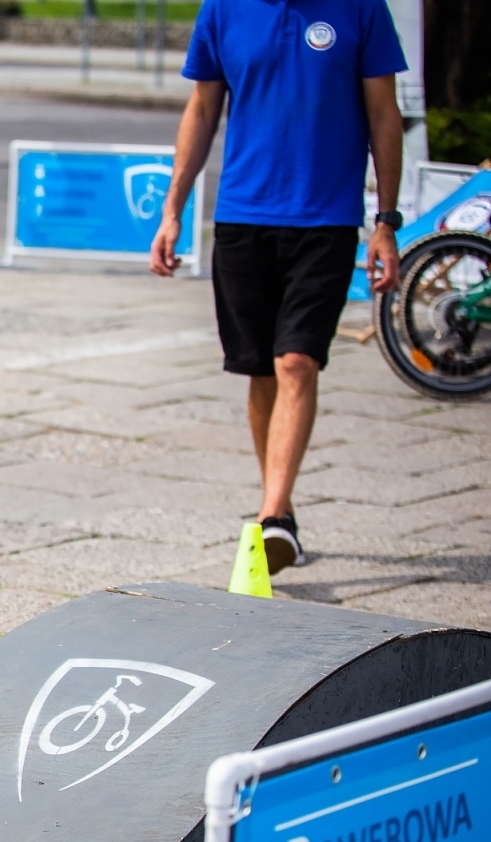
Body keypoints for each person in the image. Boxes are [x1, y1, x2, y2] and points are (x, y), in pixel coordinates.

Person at [150, 0, 406, 573]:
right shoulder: (222, 9)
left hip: (326, 221)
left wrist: (386, 221)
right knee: (260, 369)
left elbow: (384, 114)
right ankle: (279, 508)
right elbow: (201, 108)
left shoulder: (361, 8)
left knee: (297, 362)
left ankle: (273, 515)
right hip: (243, 216)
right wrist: (173, 210)